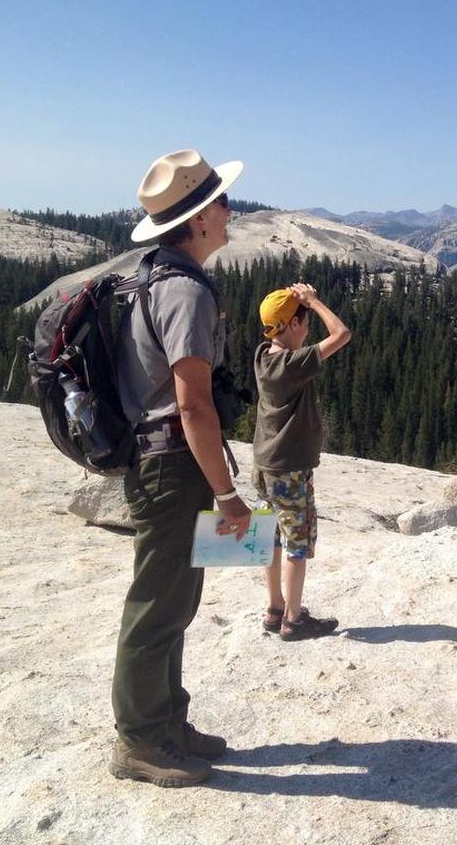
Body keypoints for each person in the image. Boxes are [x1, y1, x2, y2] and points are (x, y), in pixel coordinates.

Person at [109, 149, 252, 787]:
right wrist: (227, 496)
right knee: (156, 603)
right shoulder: (186, 292)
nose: (230, 211)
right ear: (198, 220)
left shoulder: (156, 279)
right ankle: (139, 741)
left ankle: (168, 723)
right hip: (172, 466)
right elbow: (192, 403)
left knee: (175, 600)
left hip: (165, 461)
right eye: (222, 202)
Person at [253, 282, 351, 641]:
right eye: (304, 320)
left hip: (264, 466)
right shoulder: (292, 364)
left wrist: (295, 303)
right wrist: (312, 300)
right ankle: (293, 621)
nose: (308, 326)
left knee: (272, 538)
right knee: (297, 542)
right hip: (290, 468)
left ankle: (275, 608)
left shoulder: (263, 355)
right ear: (292, 324)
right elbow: (341, 334)